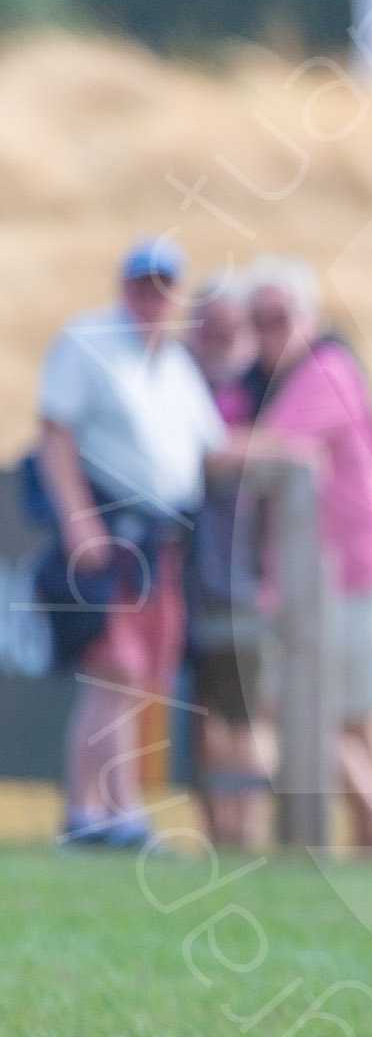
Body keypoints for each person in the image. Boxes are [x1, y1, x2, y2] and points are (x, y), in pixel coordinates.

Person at [34, 237, 227, 847]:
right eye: (143, 284)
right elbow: (55, 431)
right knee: (115, 668)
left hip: (162, 537)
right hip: (114, 529)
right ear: (126, 287)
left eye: (163, 285)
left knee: (137, 676)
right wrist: (78, 519)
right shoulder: (89, 340)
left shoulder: (173, 363)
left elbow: (213, 447)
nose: (153, 296)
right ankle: (109, 810)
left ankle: (95, 811)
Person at [242, 257, 372, 850]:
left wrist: (196, 442)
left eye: (280, 317)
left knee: (316, 701)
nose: (269, 331)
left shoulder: (327, 370)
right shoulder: (282, 377)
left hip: (357, 567)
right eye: (259, 320)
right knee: (349, 713)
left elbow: (272, 449)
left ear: (311, 318)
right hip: (341, 568)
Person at [182, 279, 266, 849]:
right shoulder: (174, 379)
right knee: (198, 708)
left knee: (245, 709)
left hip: (248, 578)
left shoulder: (263, 384)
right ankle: (217, 831)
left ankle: (246, 830)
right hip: (187, 575)